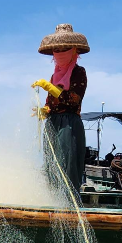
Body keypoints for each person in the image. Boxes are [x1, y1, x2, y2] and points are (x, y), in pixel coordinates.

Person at [32, 24, 89, 192]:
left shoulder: (79, 72)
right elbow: (50, 103)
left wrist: (50, 87)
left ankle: (69, 206)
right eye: (57, 49)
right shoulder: (54, 75)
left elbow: (73, 100)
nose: (60, 52)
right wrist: (44, 111)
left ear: (74, 51)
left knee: (67, 164)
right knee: (51, 163)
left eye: (64, 48)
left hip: (69, 124)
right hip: (53, 123)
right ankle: (53, 201)